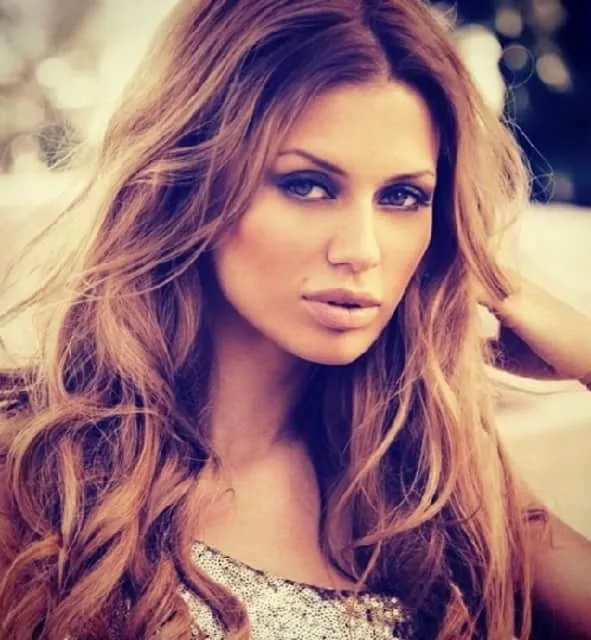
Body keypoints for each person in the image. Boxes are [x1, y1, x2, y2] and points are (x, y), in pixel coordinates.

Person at [0, 0, 590, 638]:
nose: (362, 250)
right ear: (189, 183)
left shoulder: (433, 480)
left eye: (402, 196)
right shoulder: (34, 468)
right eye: (307, 185)